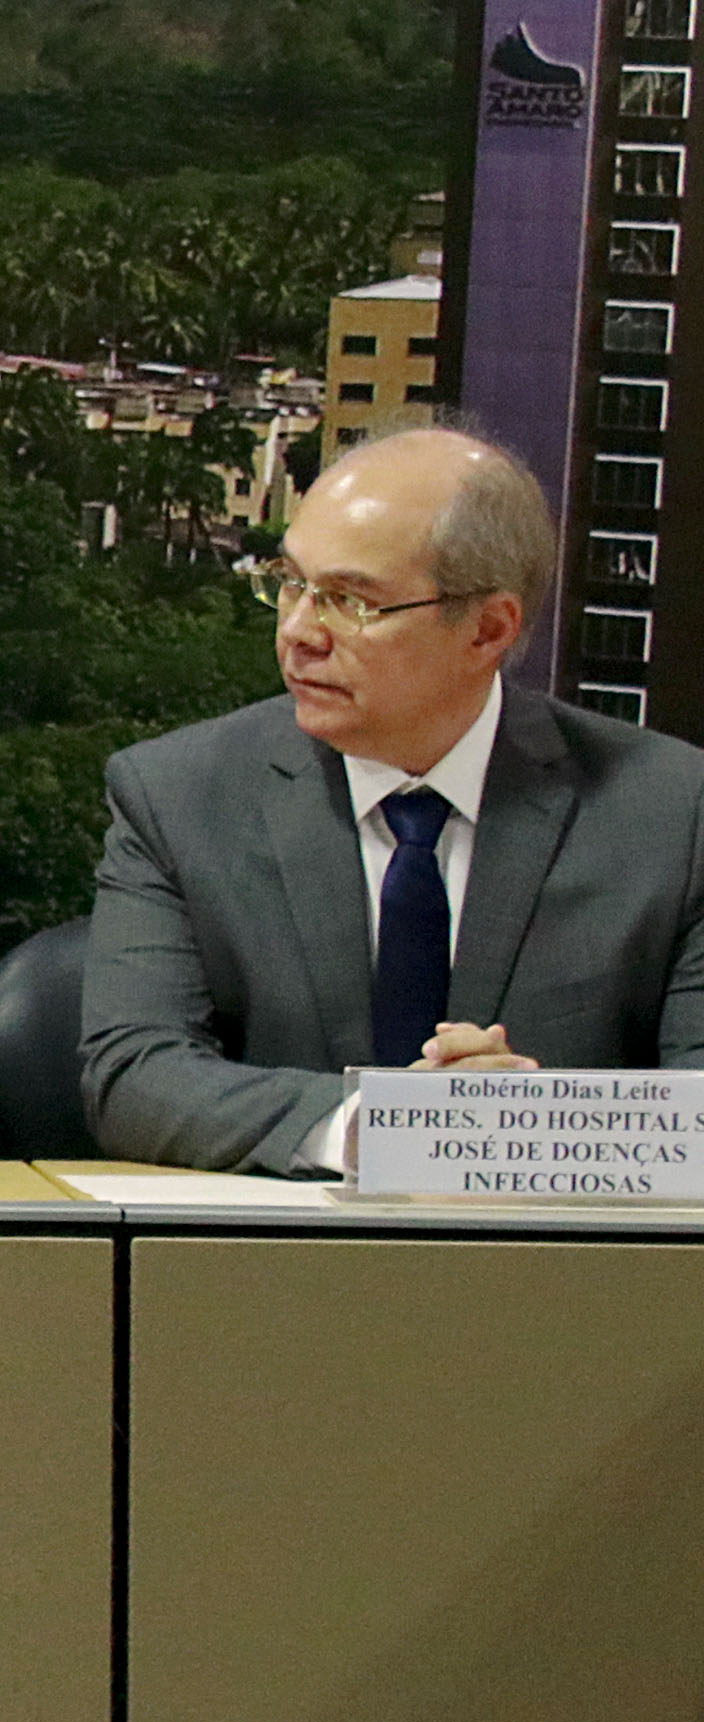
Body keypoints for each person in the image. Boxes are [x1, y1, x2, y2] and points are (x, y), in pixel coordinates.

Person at [83, 418, 704, 1174]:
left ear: (488, 630)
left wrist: (527, 1125)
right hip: (281, 1243)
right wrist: (378, 1127)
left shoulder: (673, 815)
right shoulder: (179, 796)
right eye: (291, 584)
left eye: (352, 602)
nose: (299, 632)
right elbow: (134, 1076)